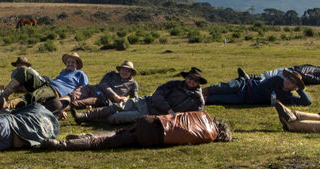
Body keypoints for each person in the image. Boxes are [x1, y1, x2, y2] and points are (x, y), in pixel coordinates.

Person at [74, 67, 206, 125]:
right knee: (115, 107)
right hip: (145, 101)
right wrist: (169, 110)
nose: (191, 81)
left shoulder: (197, 99)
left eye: (194, 80)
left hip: (150, 113)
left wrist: (174, 116)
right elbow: (157, 95)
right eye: (189, 78)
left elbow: (196, 116)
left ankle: (92, 120)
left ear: (198, 83)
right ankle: (83, 117)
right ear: (186, 77)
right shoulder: (174, 84)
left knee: (116, 117)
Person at [42, 111, 232, 150]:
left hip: (151, 120)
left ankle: (82, 137)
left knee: (118, 133)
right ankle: (63, 145)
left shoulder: (202, 115)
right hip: (154, 135)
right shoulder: (209, 135)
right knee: (105, 143)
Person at [0, 53, 89, 109]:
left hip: (55, 91)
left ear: (77, 64)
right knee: (24, 70)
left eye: (72, 62)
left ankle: (8, 105)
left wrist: (73, 100)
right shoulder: (63, 72)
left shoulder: (80, 74)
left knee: (35, 95)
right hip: (47, 84)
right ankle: (3, 96)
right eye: (68, 62)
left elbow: (84, 89)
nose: (70, 64)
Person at [203, 69, 311, 107]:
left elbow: (307, 102)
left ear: (294, 86)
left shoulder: (288, 97)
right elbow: (262, 89)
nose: (288, 80)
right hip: (245, 85)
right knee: (216, 88)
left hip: (244, 100)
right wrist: (273, 99)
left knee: (215, 99)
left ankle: (194, 98)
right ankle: (194, 91)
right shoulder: (277, 79)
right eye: (288, 77)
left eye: (292, 81)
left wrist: (299, 89)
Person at [62, 60, 139, 110]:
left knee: (79, 103)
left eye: (127, 70)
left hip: (102, 99)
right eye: (123, 69)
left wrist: (126, 100)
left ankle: (57, 109)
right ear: (120, 69)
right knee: (73, 95)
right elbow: (103, 84)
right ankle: (56, 103)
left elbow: (135, 100)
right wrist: (115, 96)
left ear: (131, 72)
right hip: (93, 88)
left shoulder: (133, 84)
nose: (124, 72)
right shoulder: (111, 74)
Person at [238, 63, 320, 86]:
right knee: (269, 77)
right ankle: (249, 79)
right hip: (293, 72)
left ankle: (248, 80)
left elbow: (317, 79)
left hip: (292, 71)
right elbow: (317, 79)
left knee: (269, 76)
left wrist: (301, 75)